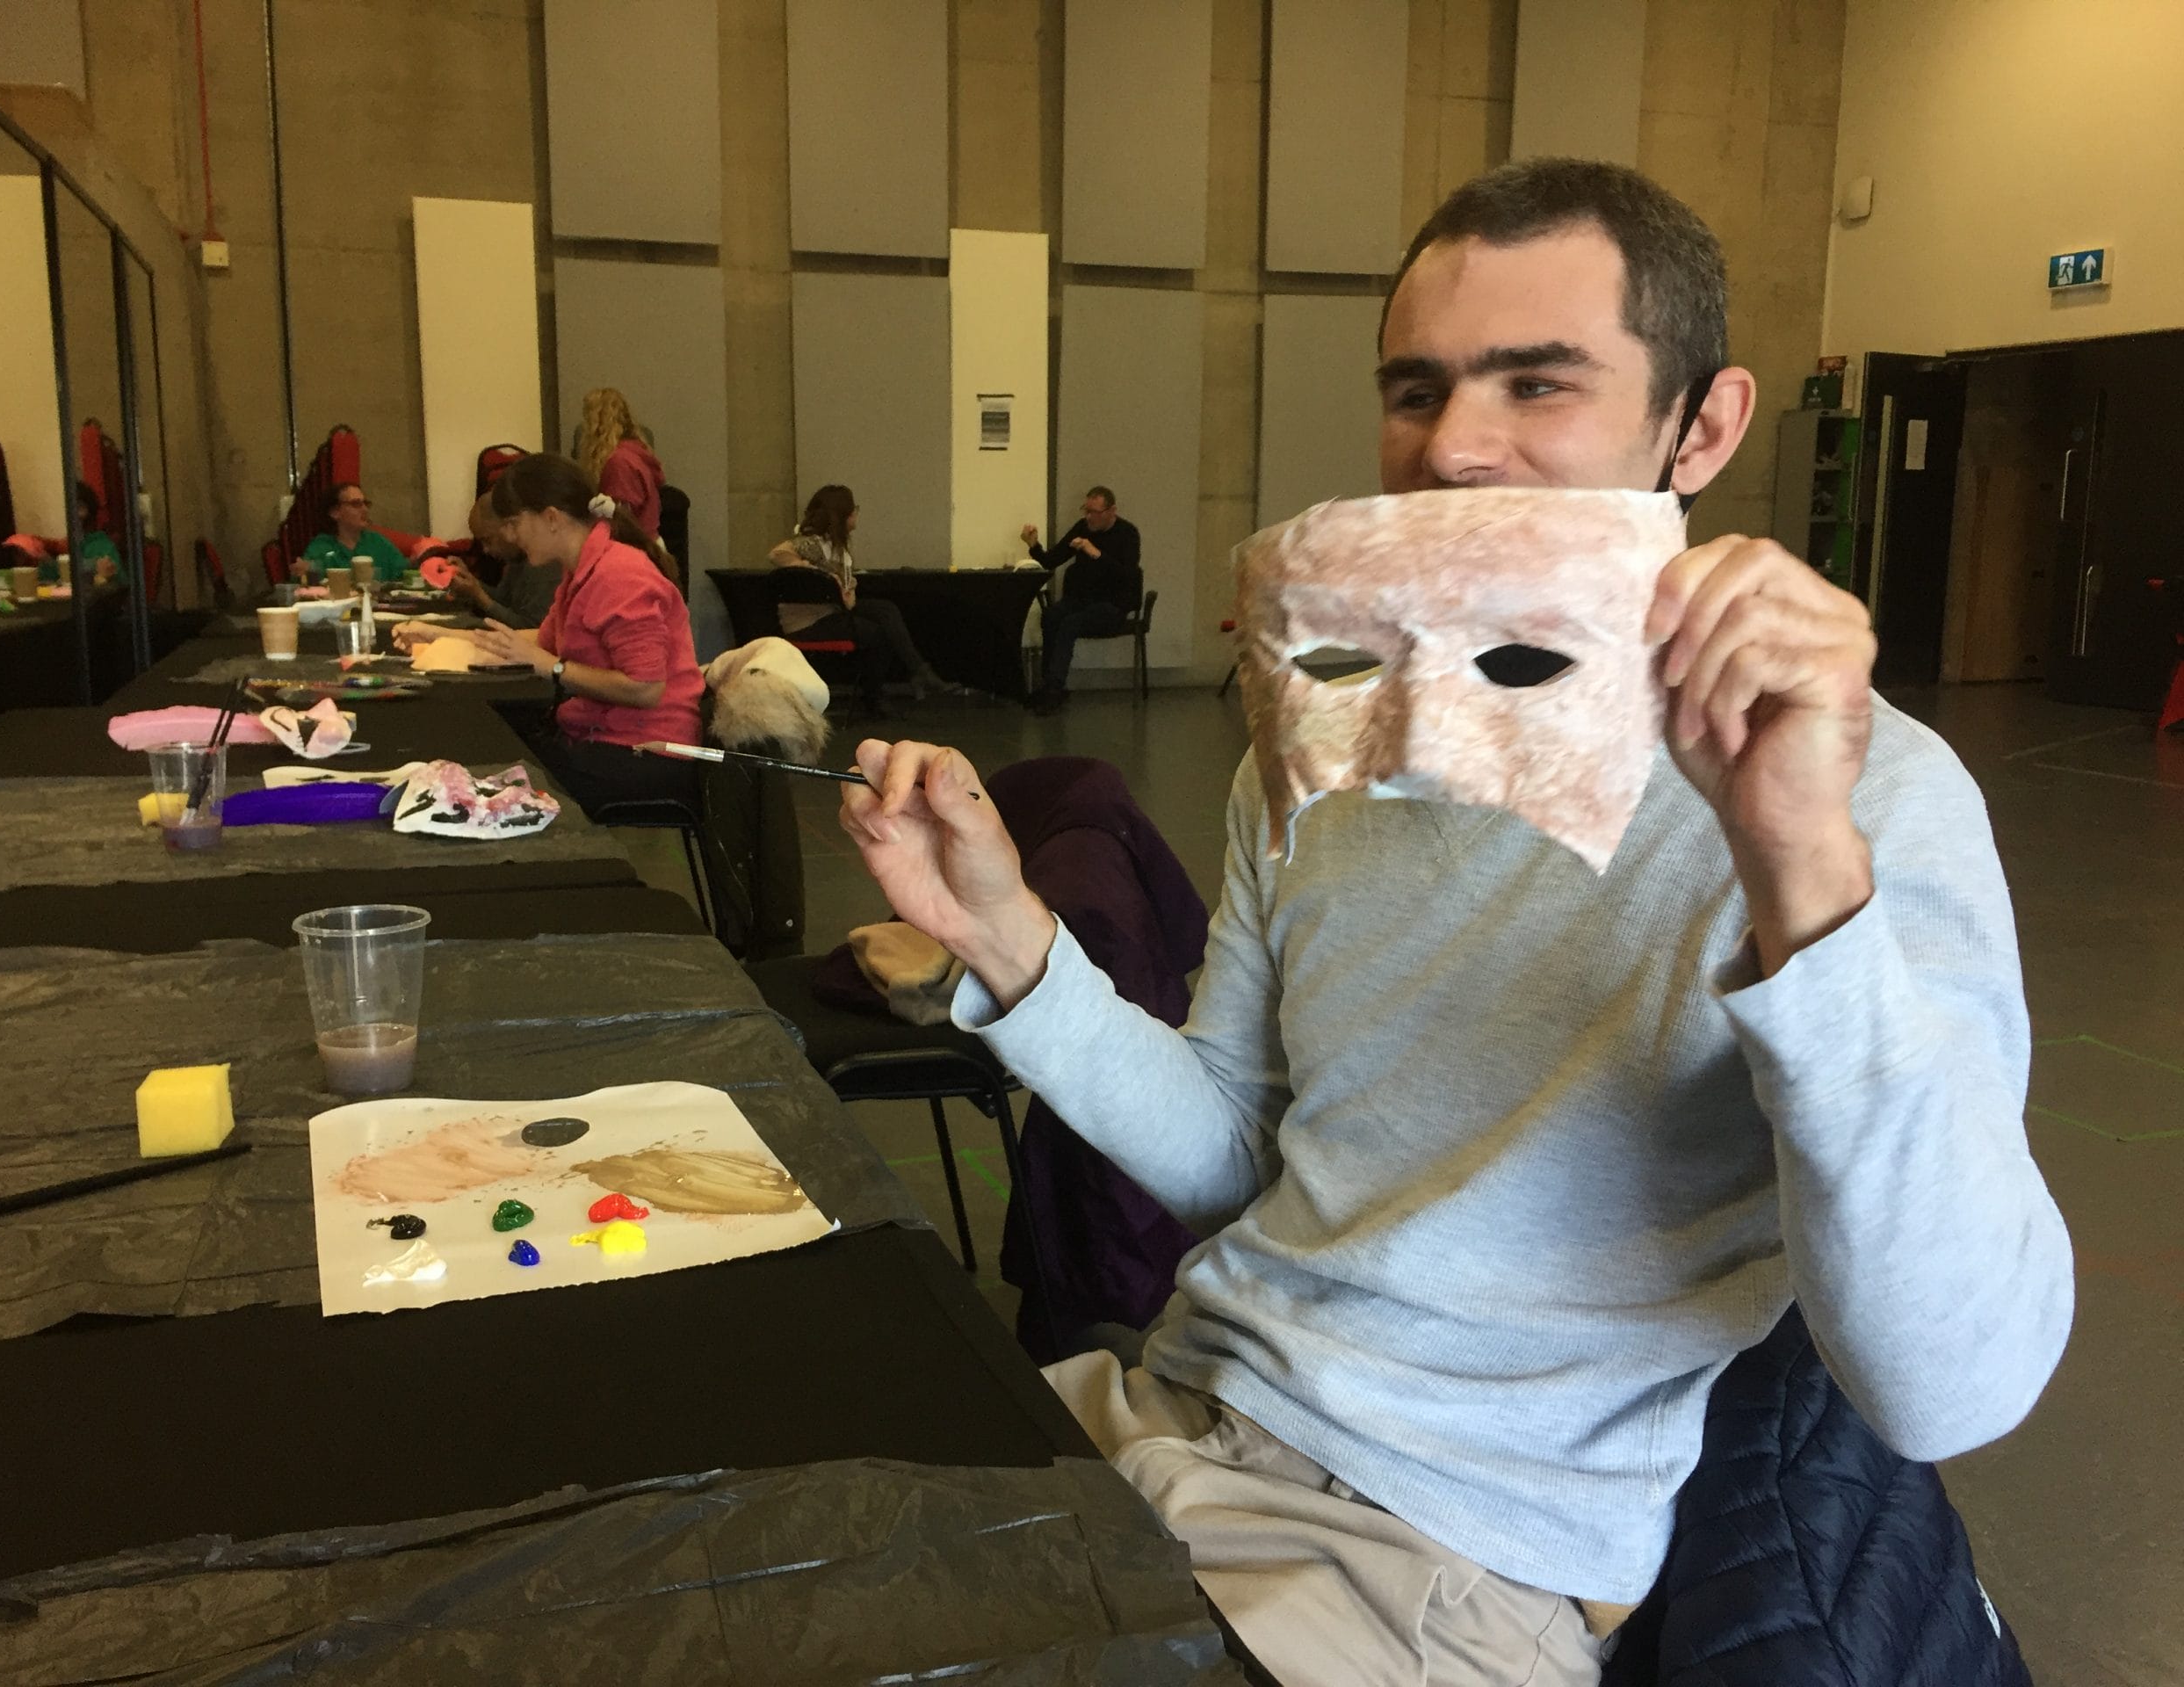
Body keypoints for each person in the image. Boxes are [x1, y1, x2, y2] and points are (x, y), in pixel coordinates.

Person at [837, 158, 2072, 1686]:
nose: (1453, 449)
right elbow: (1239, 1152)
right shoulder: (1326, 748)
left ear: (1704, 426)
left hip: (1449, 1568)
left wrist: (1800, 869)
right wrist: (1011, 942)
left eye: (1537, 385)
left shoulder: (1872, 802)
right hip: (1165, 1419)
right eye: (1414, 392)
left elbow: (1951, 1385)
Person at [460, 453, 705, 814]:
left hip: (646, 752)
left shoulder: (620, 574)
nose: (509, 535)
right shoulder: (580, 571)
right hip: (607, 738)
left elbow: (647, 688)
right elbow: (538, 642)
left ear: (552, 518)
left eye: (514, 523)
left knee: (492, 783)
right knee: (489, 745)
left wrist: (552, 667)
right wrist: (435, 636)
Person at [770, 484, 966, 703]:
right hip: (808, 623)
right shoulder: (808, 544)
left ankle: (918, 671)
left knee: (886, 609)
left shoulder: (836, 548)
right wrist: (821, 575)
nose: (857, 513)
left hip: (831, 612)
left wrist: (842, 589)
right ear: (844, 515)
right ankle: (875, 697)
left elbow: (847, 599)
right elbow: (777, 554)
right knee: (877, 633)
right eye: (855, 509)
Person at [1022, 487, 1141, 715]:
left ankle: (1055, 688)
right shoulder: (1082, 527)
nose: (1089, 517)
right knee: (1051, 616)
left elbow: (1128, 576)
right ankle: (1049, 684)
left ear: (1111, 511)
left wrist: (1094, 552)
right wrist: (1034, 546)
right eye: (1086, 511)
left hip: (1113, 605)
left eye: (1094, 512)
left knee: (1070, 624)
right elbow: (1052, 560)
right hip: (1081, 599)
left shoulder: (1128, 534)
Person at [443, 491, 560, 629]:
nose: (485, 549)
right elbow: (503, 600)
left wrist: (479, 595)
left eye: (488, 540)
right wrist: (470, 582)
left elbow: (531, 630)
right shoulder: (517, 559)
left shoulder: (543, 562)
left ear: (509, 527)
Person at [579, 387, 665, 541]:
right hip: (648, 543)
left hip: (635, 547)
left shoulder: (619, 463)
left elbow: (622, 519)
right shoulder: (636, 452)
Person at [296, 482, 409, 584]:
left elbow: (405, 575)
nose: (365, 510)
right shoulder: (321, 547)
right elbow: (304, 582)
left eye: (365, 504)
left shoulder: (379, 543)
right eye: (356, 504)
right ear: (335, 512)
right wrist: (303, 572)